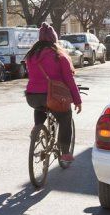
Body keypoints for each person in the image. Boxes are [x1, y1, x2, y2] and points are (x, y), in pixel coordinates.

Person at [25, 23, 82, 162]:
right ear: (54, 39)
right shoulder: (59, 56)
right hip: (53, 97)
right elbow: (69, 80)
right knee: (65, 117)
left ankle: (37, 127)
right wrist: (77, 100)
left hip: (31, 96)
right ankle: (65, 152)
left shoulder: (31, 55)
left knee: (41, 106)